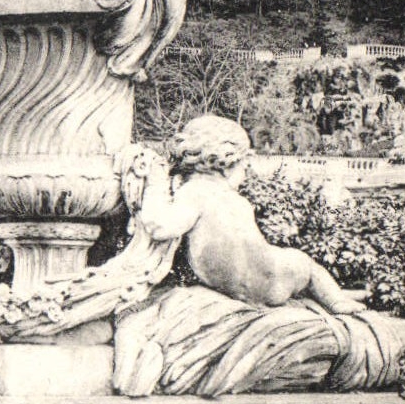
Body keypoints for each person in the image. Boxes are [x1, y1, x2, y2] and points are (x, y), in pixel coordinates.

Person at [137, 115, 365, 313]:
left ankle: (338, 297)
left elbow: (159, 225)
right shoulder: (230, 199)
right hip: (273, 279)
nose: (246, 172)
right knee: (306, 266)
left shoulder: (195, 192)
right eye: (243, 165)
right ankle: (336, 299)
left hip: (240, 284)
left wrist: (155, 185)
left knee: (300, 264)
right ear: (225, 163)